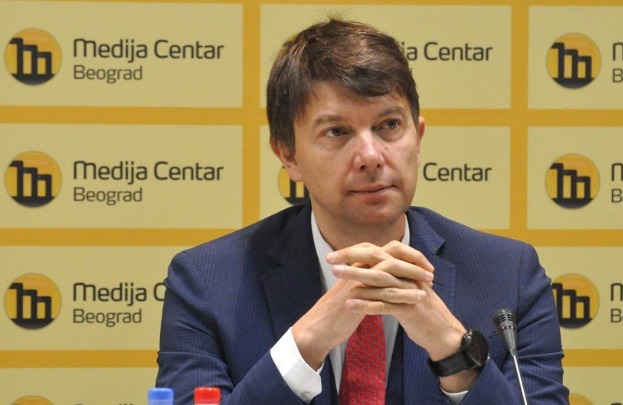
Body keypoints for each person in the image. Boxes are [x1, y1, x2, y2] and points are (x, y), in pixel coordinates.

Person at [155, 18, 569, 404]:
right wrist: (307, 343)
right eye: (337, 132)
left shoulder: (508, 276)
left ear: (418, 136)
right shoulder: (207, 284)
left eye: (389, 125)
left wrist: (452, 350)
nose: (371, 156)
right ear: (288, 155)